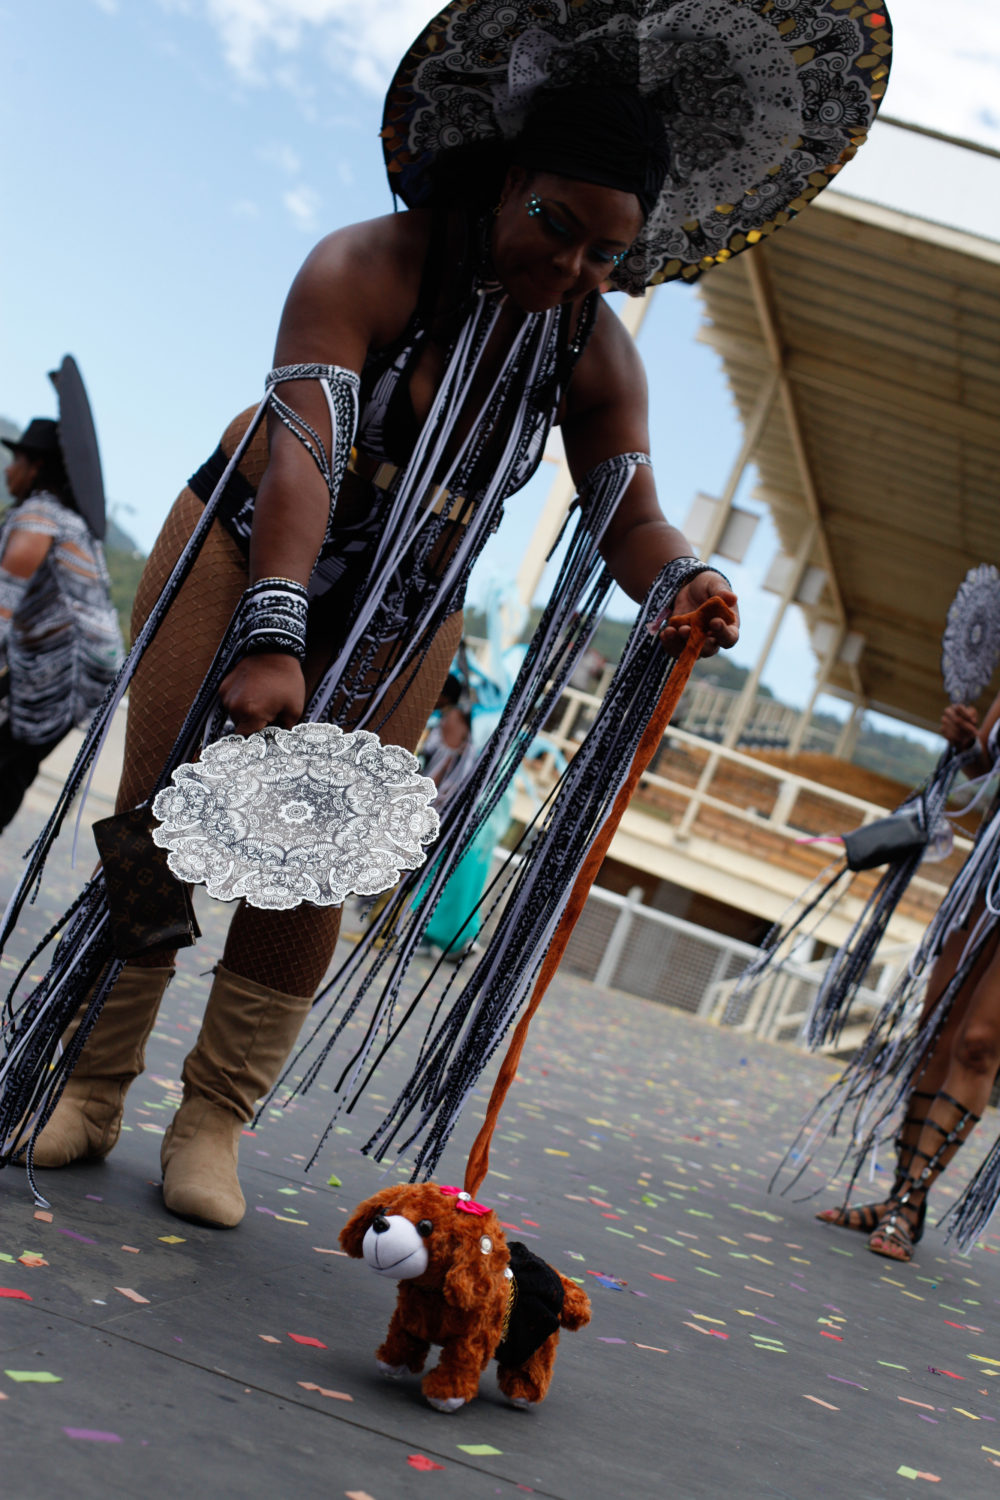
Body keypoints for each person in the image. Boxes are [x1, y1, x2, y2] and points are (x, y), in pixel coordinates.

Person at [2, 0, 890, 1229]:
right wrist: (270, 629)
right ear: (509, 176)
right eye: (558, 228)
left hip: (405, 606)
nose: (573, 269)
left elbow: (625, 514)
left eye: (604, 256)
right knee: (162, 821)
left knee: (317, 861)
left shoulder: (594, 351)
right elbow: (303, 452)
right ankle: (90, 1091)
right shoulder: (364, 264)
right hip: (245, 536)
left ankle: (212, 1120)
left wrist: (683, 576)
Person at [816, 691, 1000, 1262]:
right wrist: (967, 744)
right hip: (988, 868)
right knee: (937, 1031)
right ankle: (902, 1203)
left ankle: (910, 1199)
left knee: (977, 1045)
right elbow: (986, 771)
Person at [0, 415, 123, 829]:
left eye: (15, 459)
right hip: (86, 676)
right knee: (12, 767)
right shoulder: (74, 523)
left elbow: (4, 601)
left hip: (57, 674)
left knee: (7, 763)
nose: (7, 469)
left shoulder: (38, 517)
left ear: (35, 467)